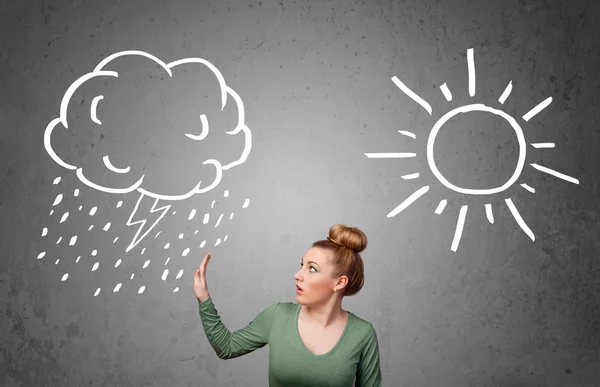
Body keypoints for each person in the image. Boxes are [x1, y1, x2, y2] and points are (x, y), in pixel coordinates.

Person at [193, 224, 383, 387]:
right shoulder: (278, 316)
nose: (297, 275)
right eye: (302, 265)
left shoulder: (362, 334)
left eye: (312, 269)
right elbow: (227, 347)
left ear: (339, 283)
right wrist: (204, 299)